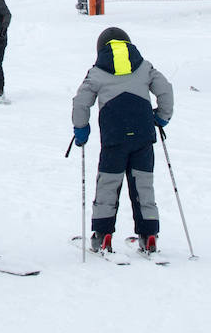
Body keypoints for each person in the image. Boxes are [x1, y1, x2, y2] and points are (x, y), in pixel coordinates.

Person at [71, 26, 174, 255]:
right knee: (143, 184)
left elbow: (81, 102)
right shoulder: (144, 66)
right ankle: (148, 235)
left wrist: (81, 129)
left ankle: (103, 234)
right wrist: (162, 117)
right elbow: (165, 90)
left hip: (114, 138)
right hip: (143, 137)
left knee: (108, 183)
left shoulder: (97, 72)